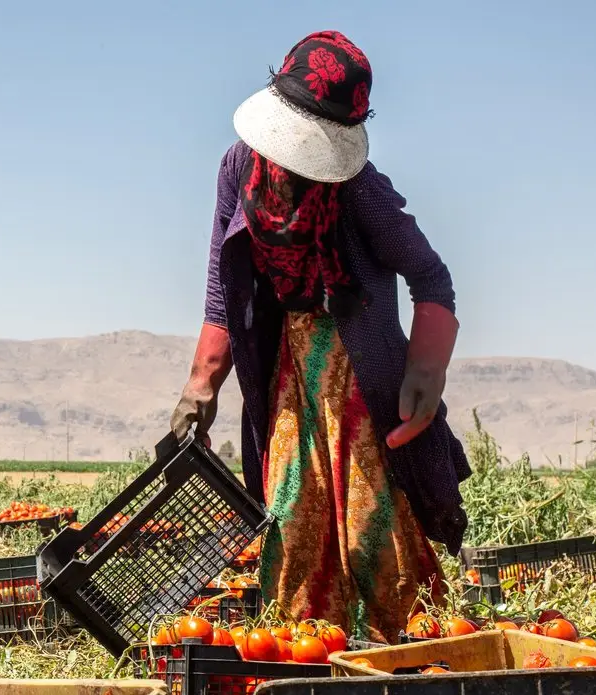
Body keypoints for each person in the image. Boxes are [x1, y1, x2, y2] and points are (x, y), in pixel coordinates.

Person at [170, 30, 471, 643]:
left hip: (358, 370)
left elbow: (431, 277)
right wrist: (201, 384)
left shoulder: (358, 189)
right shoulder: (238, 167)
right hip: (285, 370)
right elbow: (220, 285)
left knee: (371, 525)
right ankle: (306, 653)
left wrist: (425, 374)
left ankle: (415, 652)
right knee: (291, 513)